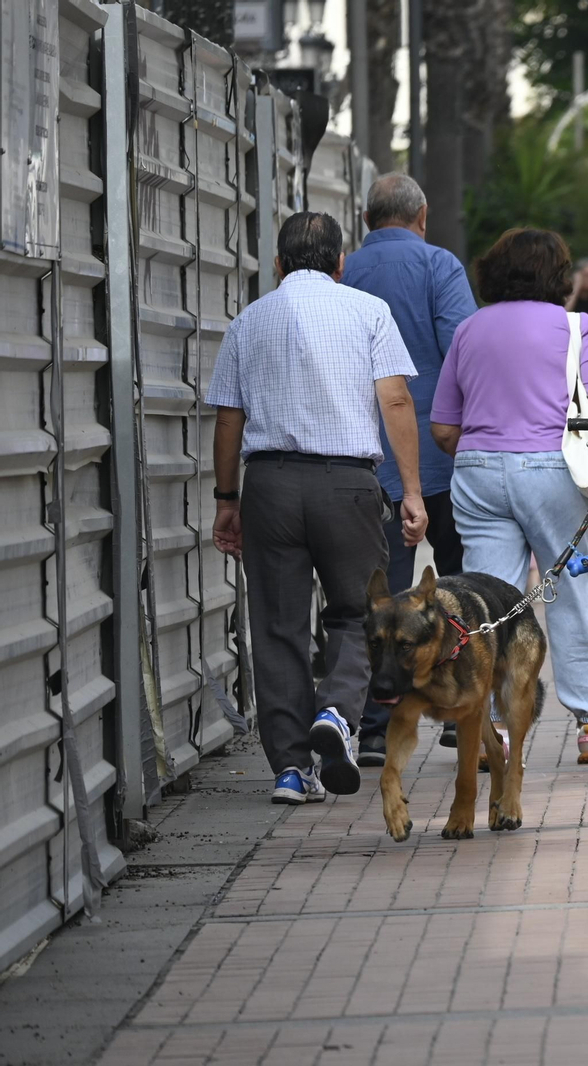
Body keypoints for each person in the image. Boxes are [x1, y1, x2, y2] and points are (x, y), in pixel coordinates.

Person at [207, 211, 425, 804]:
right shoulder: (367, 311)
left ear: (277, 264)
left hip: (270, 484)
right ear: (340, 263)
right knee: (362, 615)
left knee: (278, 628)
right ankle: (336, 713)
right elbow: (397, 399)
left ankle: (288, 770)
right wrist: (410, 491)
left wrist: (228, 500)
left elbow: (229, 418)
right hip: (347, 485)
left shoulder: (249, 321)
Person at [427, 228, 588, 765]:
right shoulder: (574, 325)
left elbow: (444, 427)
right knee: (570, 591)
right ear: (555, 275)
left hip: (479, 473)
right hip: (552, 471)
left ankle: (494, 728)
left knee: (489, 602)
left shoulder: (468, 330)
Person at [340, 173, 476, 765]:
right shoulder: (440, 265)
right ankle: (458, 711)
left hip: (357, 454)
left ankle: (372, 725)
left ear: (368, 219)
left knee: (382, 593)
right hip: (437, 452)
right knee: (459, 584)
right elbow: (462, 350)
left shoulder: (342, 270)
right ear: (421, 216)